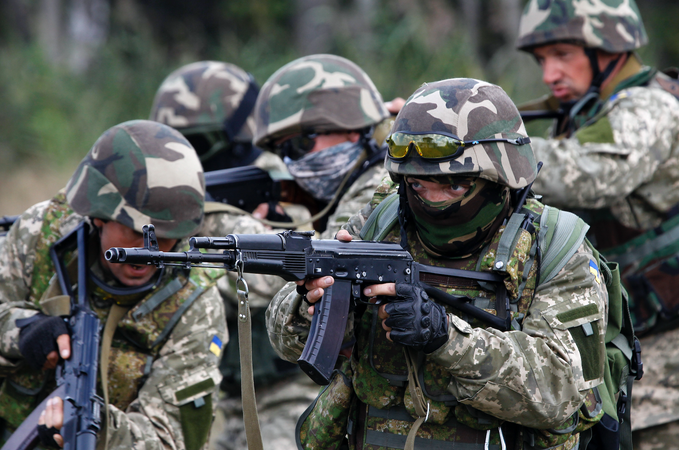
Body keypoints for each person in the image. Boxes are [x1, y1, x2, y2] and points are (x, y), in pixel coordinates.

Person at [266, 78, 609, 449]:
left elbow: (561, 392)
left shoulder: (556, 247)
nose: (431, 200)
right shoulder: (381, 222)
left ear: (501, 179)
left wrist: (444, 336)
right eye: (417, 185)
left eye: (454, 186)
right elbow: (285, 342)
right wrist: (311, 303)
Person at [0, 120, 226, 449]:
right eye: (136, 232)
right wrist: (19, 333)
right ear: (99, 215)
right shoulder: (40, 235)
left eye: (164, 239)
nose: (148, 253)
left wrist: (98, 425)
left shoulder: (195, 303)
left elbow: (172, 440)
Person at [515, 1, 679, 448]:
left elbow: (591, 175)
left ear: (609, 49)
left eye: (563, 54)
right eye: (542, 60)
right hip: (622, 341)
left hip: (665, 360)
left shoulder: (650, 106)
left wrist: (482, 146)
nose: (549, 74)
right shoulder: (587, 110)